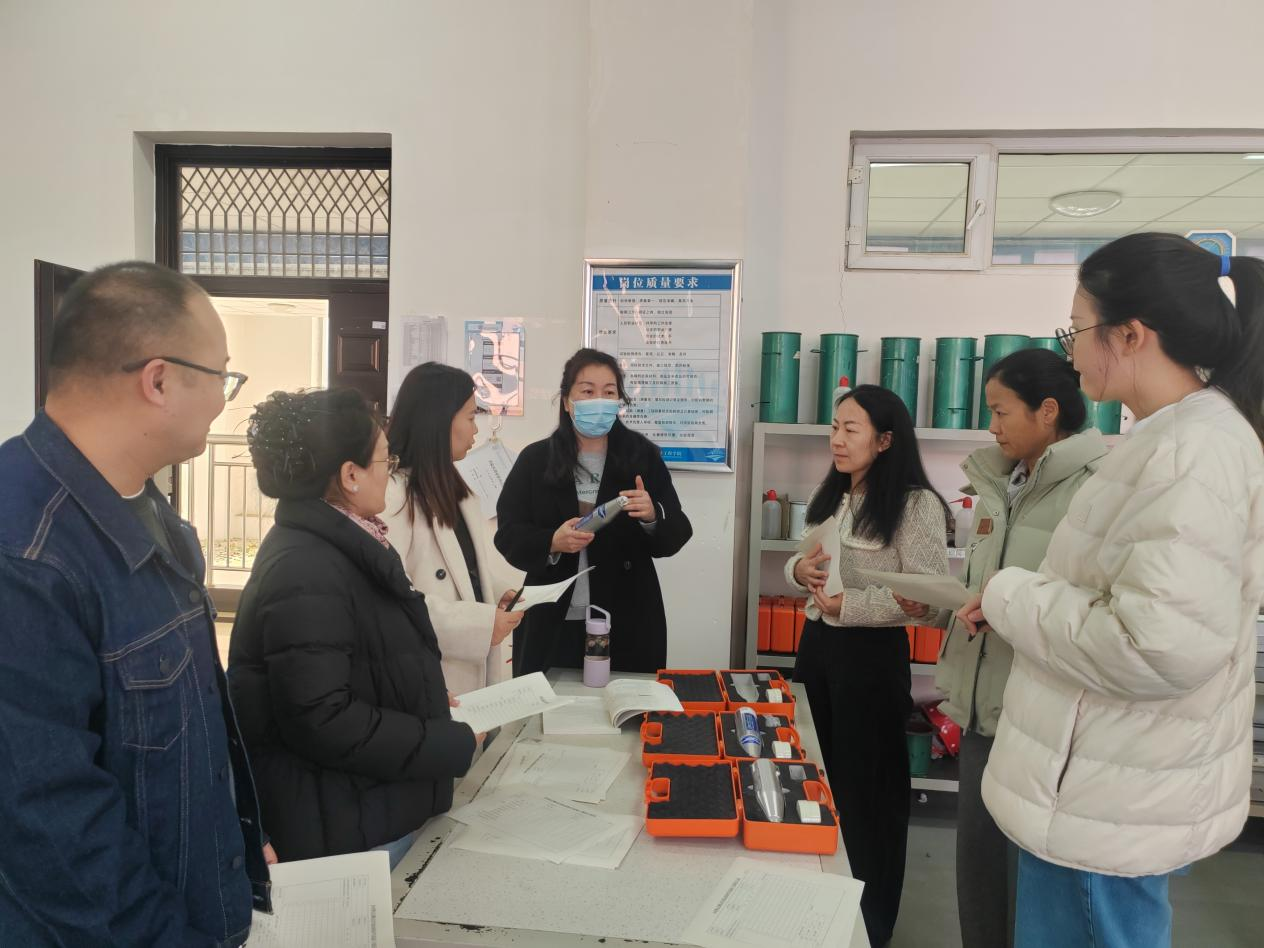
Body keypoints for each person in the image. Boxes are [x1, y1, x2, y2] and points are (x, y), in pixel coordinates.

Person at [957, 233, 1264, 948]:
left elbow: (1155, 645)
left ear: (1130, 334)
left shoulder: (1193, 452)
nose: (1069, 351)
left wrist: (1010, 596)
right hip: (1099, 787)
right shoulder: (1169, 439)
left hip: (1109, 801)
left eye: (1076, 329)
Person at [0, 262, 272, 946]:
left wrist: (233, 843)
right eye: (223, 377)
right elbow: (51, 829)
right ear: (159, 380)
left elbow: (181, 731)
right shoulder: (23, 551)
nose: (224, 400)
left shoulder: (147, 508)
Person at [895, 348, 1108, 948]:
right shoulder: (1001, 484)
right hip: (982, 712)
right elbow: (983, 591)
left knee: (1036, 888)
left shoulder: (1096, 491)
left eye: (1000, 410)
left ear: (1048, 410)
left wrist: (1007, 608)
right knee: (981, 874)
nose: (991, 426)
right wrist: (936, 606)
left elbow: (1088, 611)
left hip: (1044, 722)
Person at [228, 388, 479, 868]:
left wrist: (422, 699)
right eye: (385, 459)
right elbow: (323, 719)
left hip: (368, 806)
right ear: (350, 475)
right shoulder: (305, 568)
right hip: (343, 826)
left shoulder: (347, 544)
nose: (390, 471)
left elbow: (361, 665)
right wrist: (448, 742)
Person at [785, 384, 949, 948]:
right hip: (817, 649)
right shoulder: (833, 493)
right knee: (812, 776)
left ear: (884, 440)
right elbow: (805, 554)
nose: (837, 439)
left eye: (850, 429)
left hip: (872, 660)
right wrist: (799, 572)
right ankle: (812, 903)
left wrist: (849, 606)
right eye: (834, 427)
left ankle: (868, 922)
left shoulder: (916, 505)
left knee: (867, 793)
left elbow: (927, 598)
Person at [494, 348, 692, 674]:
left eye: (609, 392)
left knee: (625, 704)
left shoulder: (642, 456)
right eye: (587, 391)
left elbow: (679, 531)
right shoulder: (535, 459)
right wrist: (552, 542)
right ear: (566, 401)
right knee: (548, 703)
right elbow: (508, 533)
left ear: (619, 400)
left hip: (627, 617)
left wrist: (652, 516)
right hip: (553, 617)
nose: (599, 400)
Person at [381, 363, 525, 698]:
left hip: (466, 665)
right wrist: (480, 624)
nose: (475, 430)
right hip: (430, 669)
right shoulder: (393, 496)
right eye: (471, 417)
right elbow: (395, 599)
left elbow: (461, 568)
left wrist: (495, 591)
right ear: (439, 421)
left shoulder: (451, 485)